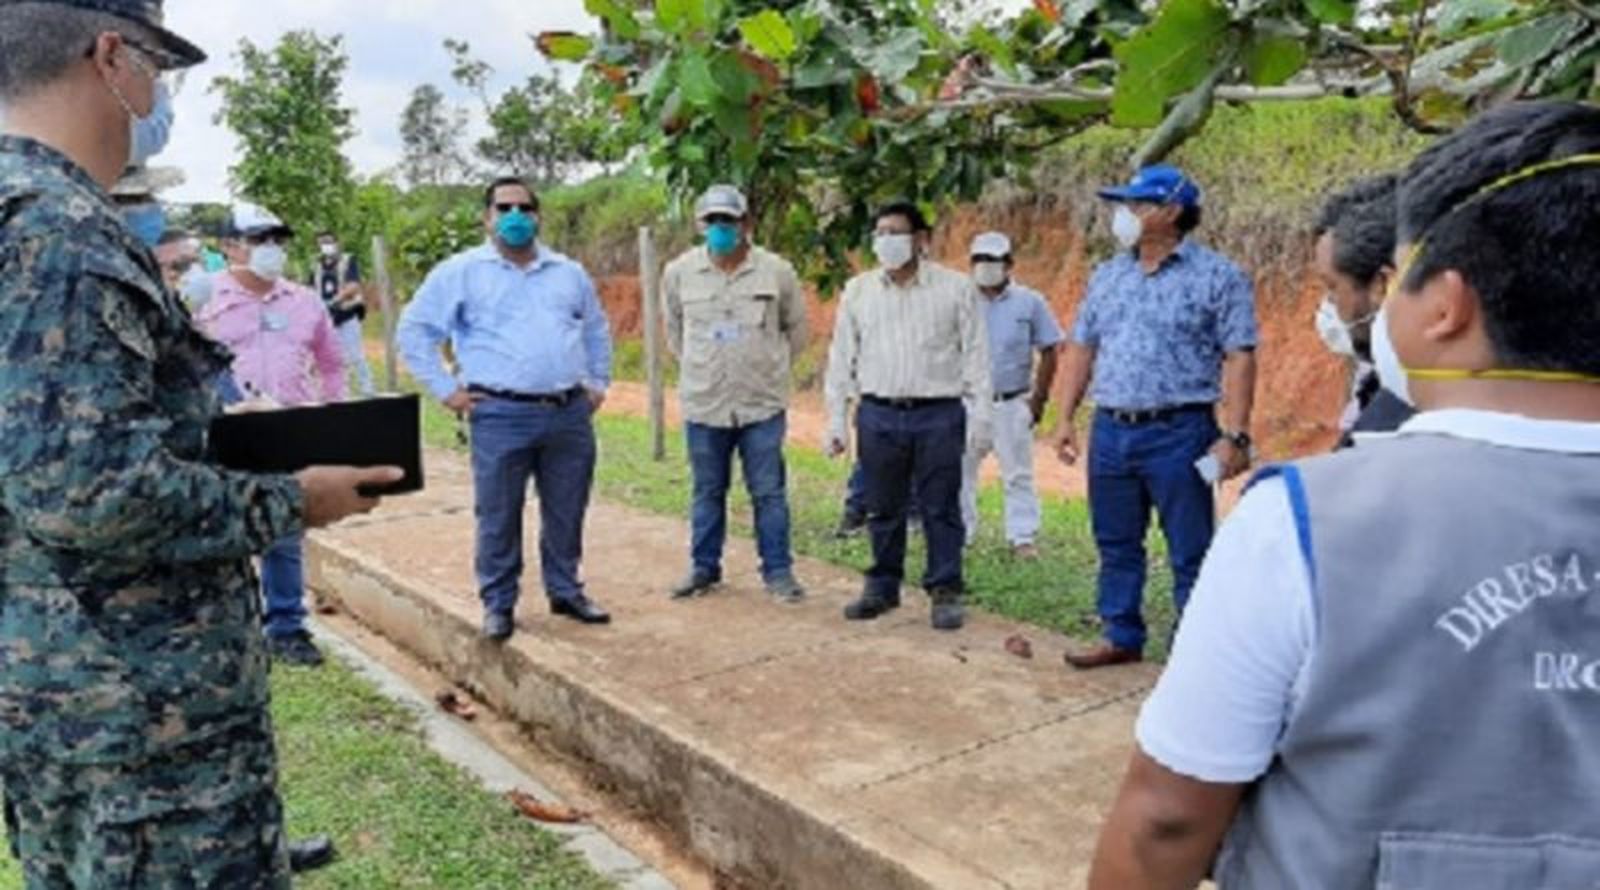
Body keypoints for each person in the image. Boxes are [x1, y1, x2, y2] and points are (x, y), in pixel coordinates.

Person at [1088, 100, 1600, 890]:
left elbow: (1168, 817)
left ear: (1446, 304)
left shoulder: (1305, 523)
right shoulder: (1109, 280)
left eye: (1394, 278)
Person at [0, 2, 399, 886]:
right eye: (156, 67)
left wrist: (207, 437)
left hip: (69, 694)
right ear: (111, 57)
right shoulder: (57, 231)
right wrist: (295, 498)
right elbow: (89, 491)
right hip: (141, 716)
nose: (157, 95)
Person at [1048, 164, 1258, 669]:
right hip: (1112, 428)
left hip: (1180, 431)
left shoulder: (1218, 277)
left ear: (1173, 211)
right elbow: (1081, 347)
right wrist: (1063, 419)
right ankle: (1120, 633)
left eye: (1138, 205)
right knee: (1116, 539)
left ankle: (1196, 652)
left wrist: (1234, 434)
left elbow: (1240, 356)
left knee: (1189, 547)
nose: (1126, 215)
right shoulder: (1108, 275)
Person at [399, 175, 614, 642]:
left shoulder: (567, 272)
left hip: (567, 413)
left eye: (524, 208)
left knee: (567, 508)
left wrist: (597, 383)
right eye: (504, 208)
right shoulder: (461, 272)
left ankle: (565, 590)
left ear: (538, 215)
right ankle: (498, 603)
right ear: (487, 217)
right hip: (500, 414)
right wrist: (447, 390)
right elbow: (414, 332)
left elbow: (596, 330)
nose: (515, 217)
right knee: (499, 512)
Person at [823, 201, 991, 631]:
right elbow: (841, 358)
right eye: (879, 233)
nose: (886, 241)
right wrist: (836, 420)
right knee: (882, 506)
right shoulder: (859, 291)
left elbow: (976, 358)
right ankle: (882, 587)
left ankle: (945, 589)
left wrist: (982, 419)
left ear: (920, 240)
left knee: (941, 506)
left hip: (938, 413)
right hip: (878, 413)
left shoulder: (955, 290)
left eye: (895, 232)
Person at [198, 203, 349, 667]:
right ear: (228, 248)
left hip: (288, 430)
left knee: (284, 532)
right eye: (259, 239)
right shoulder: (202, 301)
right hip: (221, 431)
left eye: (277, 240)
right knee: (219, 528)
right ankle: (221, 629)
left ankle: (286, 628)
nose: (272, 250)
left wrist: (332, 412)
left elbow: (331, 361)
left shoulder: (303, 301)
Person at [662, 185, 809, 603]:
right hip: (705, 403)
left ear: (747, 224)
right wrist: (705, 366)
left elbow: (795, 330)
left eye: (728, 220)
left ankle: (778, 572)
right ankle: (703, 569)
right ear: (700, 225)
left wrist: (765, 365)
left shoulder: (776, 271)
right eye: (712, 221)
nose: (720, 229)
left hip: (761, 404)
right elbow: (676, 333)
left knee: (769, 492)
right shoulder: (679, 273)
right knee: (707, 491)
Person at [962, 231, 1062, 557]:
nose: (986, 266)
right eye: (979, 260)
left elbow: (1050, 349)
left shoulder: (1029, 302)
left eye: (993, 260)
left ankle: (1022, 537)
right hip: (966, 401)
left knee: (1018, 472)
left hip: (1010, 400)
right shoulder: (960, 298)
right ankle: (960, 533)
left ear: (1009, 264)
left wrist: (1038, 401)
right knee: (959, 470)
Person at [1312, 174, 1415, 446]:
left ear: (1381, 285)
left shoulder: (1398, 419)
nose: (1328, 305)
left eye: (1332, 287)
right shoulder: (1376, 381)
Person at [312, 230, 376, 396]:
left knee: (355, 355)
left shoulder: (348, 260)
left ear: (337, 243)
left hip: (347, 313)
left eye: (328, 242)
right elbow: (312, 288)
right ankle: (337, 392)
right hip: (327, 317)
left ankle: (368, 390)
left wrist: (334, 302)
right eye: (321, 243)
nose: (325, 246)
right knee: (330, 357)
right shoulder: (317, 265)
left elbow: (353, 286)